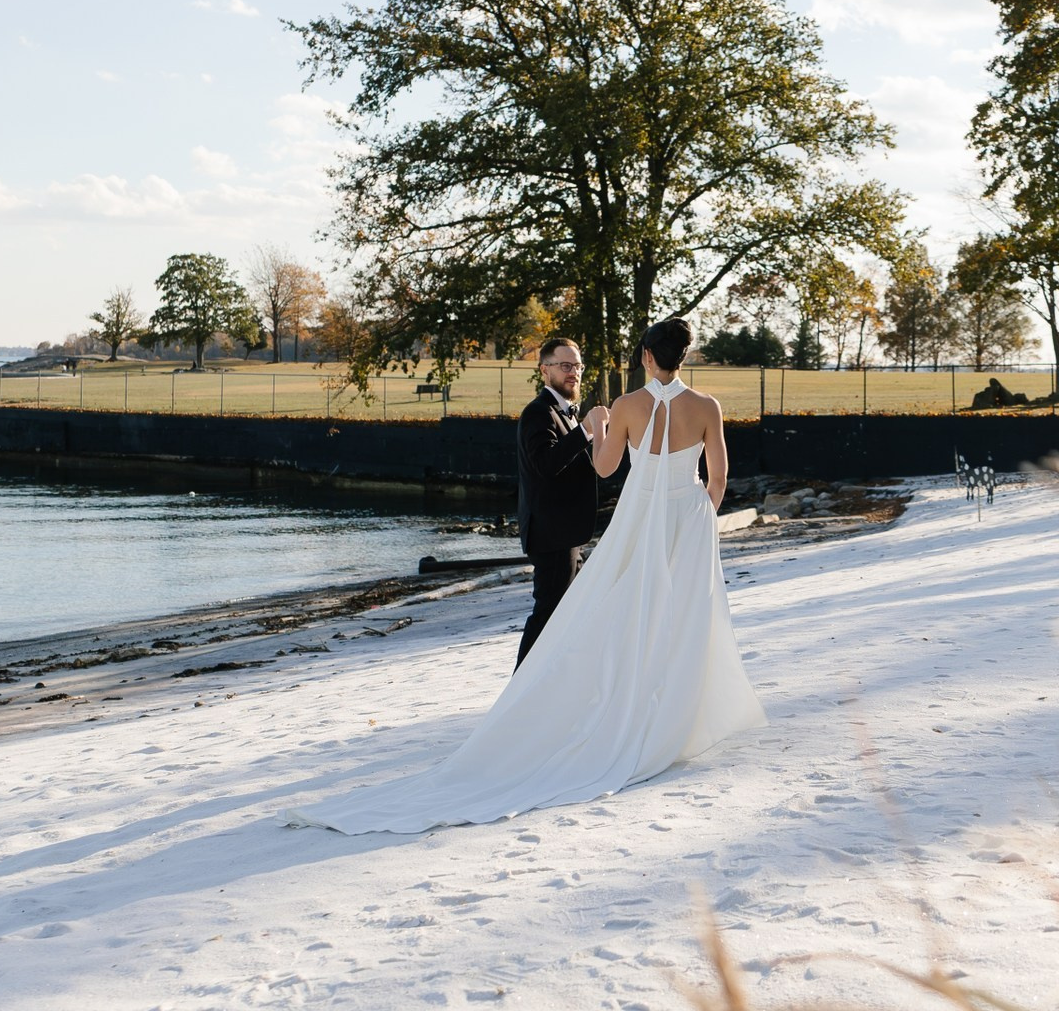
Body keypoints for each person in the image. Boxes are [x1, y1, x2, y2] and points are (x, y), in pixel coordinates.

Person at [294, 317, 764, 835]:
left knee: (626, 609)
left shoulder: (629, 406)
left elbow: (606, 469)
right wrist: (700, 518)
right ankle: (679, 717)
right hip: (690, 519)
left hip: (642, 517)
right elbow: (717, 477)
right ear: (684, 357)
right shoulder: (707, 407)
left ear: (647, 358)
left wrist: (601, 427)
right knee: (685, 615)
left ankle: (621, 707)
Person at [512, 336, 599, 669]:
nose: (573, 373)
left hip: (567, 532)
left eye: (577, 366)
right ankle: (520, 690)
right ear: (544, 370)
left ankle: (550, 685)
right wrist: (585, 431)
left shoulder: (566, 411)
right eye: (565, 366)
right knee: (547, 614)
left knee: (567, 613)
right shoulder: (538, 413)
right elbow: (545, 465)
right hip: (551, 535)